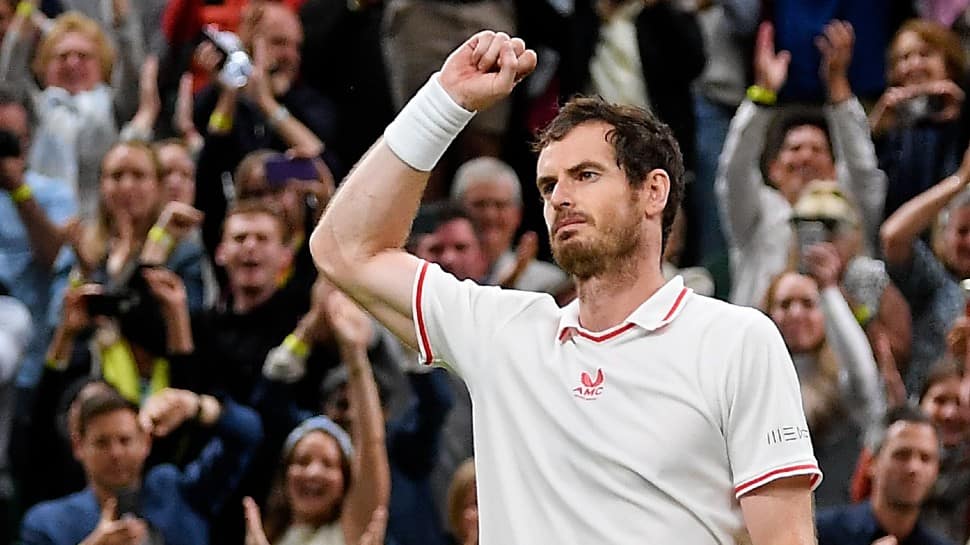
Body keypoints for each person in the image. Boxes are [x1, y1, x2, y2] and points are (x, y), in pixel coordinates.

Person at [310, 30, 821, 544]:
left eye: (586, 175)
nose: (560, 199)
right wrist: (444, 102)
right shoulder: (502, 333)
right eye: (549, 185)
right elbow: (344, 248)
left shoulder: (736, 340)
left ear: (654, 191)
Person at [715, 20, 887, 308]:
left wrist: (838, 85)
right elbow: (736, 170)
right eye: (794, 149)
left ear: (835, 168)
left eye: (817, 149)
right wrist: (762, 95)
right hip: (763, 346)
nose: (805, 156)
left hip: (842, 345)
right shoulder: (756, 214)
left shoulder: (852, 203)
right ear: (773, 169)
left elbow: (862, 167)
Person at [19, 386, 263, 545]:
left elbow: (247, 434)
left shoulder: (180, 493)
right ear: (78, 447)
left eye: (125, 440)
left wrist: (196, 406)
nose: (115, 453)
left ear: (146, 441)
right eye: (102, 443)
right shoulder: (49, 524)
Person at [816, 405, 952, 545]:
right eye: (902, 455)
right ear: (871, 462)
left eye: (925, 458)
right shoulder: (821, 533)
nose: (914, 468)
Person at [450, 156, 567, 294]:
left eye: (500, 205)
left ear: (518, 214)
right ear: (455, 212)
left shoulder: (546, 283)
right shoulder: (441, 276)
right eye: (479, 205)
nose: (490, 215)